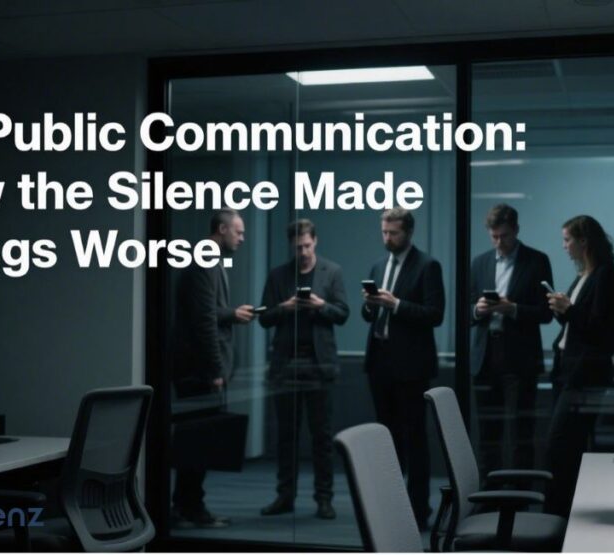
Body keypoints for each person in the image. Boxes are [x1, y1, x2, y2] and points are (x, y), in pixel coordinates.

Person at [258, 219, 349, 520]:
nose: (304, 252)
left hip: (319, 365)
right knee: (287, 436)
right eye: (298, 247)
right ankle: (285, 496)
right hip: (286, 365)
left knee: (322, 437)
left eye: (307, 246)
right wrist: (285, 307)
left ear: (315, 241)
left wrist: (320, 305)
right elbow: (264, 318)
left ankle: (324, 499)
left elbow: (343, 314)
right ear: (291, 246)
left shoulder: (332, 272)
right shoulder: (278, 275)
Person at [172, 208, 257, 528]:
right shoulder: (205, 260)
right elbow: (203, 322)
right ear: (222, 229)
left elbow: (207, 312)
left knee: (198, 442)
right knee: (198, 443)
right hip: (199, 371)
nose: (242, 238)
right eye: (238, 232)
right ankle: (190, 508)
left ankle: (187, 506)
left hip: (198, 368)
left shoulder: (209, 259)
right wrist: (216, 370)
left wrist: (232, 314)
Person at [361, 207, 445, 529]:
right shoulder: (378, 265)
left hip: (411, 366)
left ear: (408, 232)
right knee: (386, 438)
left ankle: (418, 510)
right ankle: (391, 506)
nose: (387, 238)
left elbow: (435, 314)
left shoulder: (428, 265)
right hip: (380, 361)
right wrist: (370, 305)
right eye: (384, 232)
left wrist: (394, 304)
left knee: (414, 437)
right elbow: (369, 316)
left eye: (393, 233)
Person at [543, 215, 614, 517]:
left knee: (560, 446)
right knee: (565, 447)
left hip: (583, 375)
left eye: (567, 240)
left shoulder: (606, 275)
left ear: (584, 241)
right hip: (566, 370)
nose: (564, 246)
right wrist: (562, 310)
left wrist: (569, 310)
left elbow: (602, 331)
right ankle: (559, 516)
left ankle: (556, 518)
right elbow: (579, 324)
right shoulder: (584, 275)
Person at [470, 204, 553, 478]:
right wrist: (477, 310)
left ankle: (521, 493)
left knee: (521, 432)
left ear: (516, 230)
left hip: (520, 358)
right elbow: (465, 311)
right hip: (486, 356)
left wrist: (513, 309)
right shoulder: (479, 262)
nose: (499, 242)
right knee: (487, 434)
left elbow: (546, 314)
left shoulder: (537, 261)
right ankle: (489, 492)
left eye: (504, 236)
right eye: (494, 236)